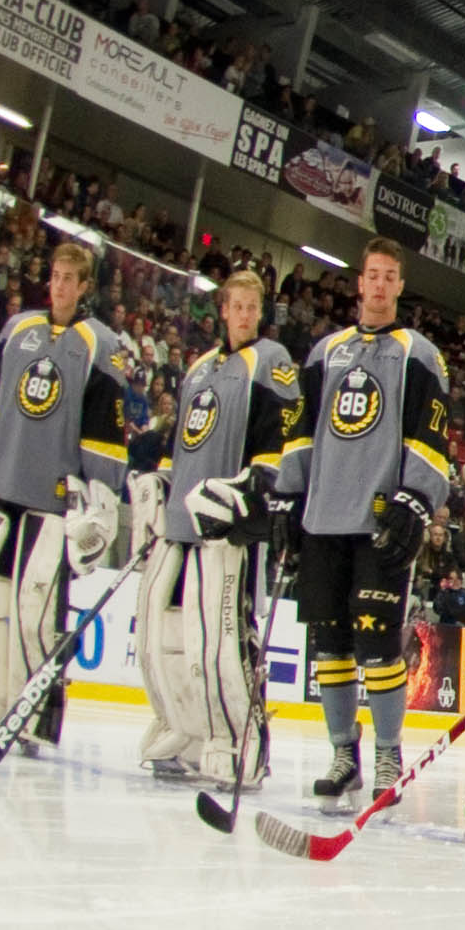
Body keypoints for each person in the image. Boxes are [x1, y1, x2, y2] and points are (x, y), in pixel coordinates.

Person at [262, 239, 452, 811]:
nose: (379, 285)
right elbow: (299, 431)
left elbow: (431, 433)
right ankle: (343, 755)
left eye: (389, 276)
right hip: (323, 518)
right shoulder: (325, 353)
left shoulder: (418, 354)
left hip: (380, 523)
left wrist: (415, 499)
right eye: (372, 274)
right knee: (330, 645)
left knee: (377, 643)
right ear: (360, 282)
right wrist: (287, 497)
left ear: (399, 286)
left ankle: (388, 753)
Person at [0, 241, 133, 749]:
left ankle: (34, 712)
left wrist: (99, 495)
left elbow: (104, 432)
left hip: (54, 501)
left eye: (70, 278)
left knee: (35, 612)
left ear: (84, 287)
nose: (60, 285)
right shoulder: (17, 329)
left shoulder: (100, 344)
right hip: (3, 490)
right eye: (55, 275)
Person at [141, 272, 297, 788]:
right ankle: (186, 732)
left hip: (229, 525)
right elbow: (183, 440)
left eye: (253, 307)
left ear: (260, 312)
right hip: (182, 524)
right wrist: (163, 483)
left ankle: (242, 742)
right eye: (237, 306)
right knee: (172, 637)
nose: (245, 315)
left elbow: (277, 444)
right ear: (224, 310)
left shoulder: (271, 359)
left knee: (225, 639)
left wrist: (255, 495)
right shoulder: (199, 368)